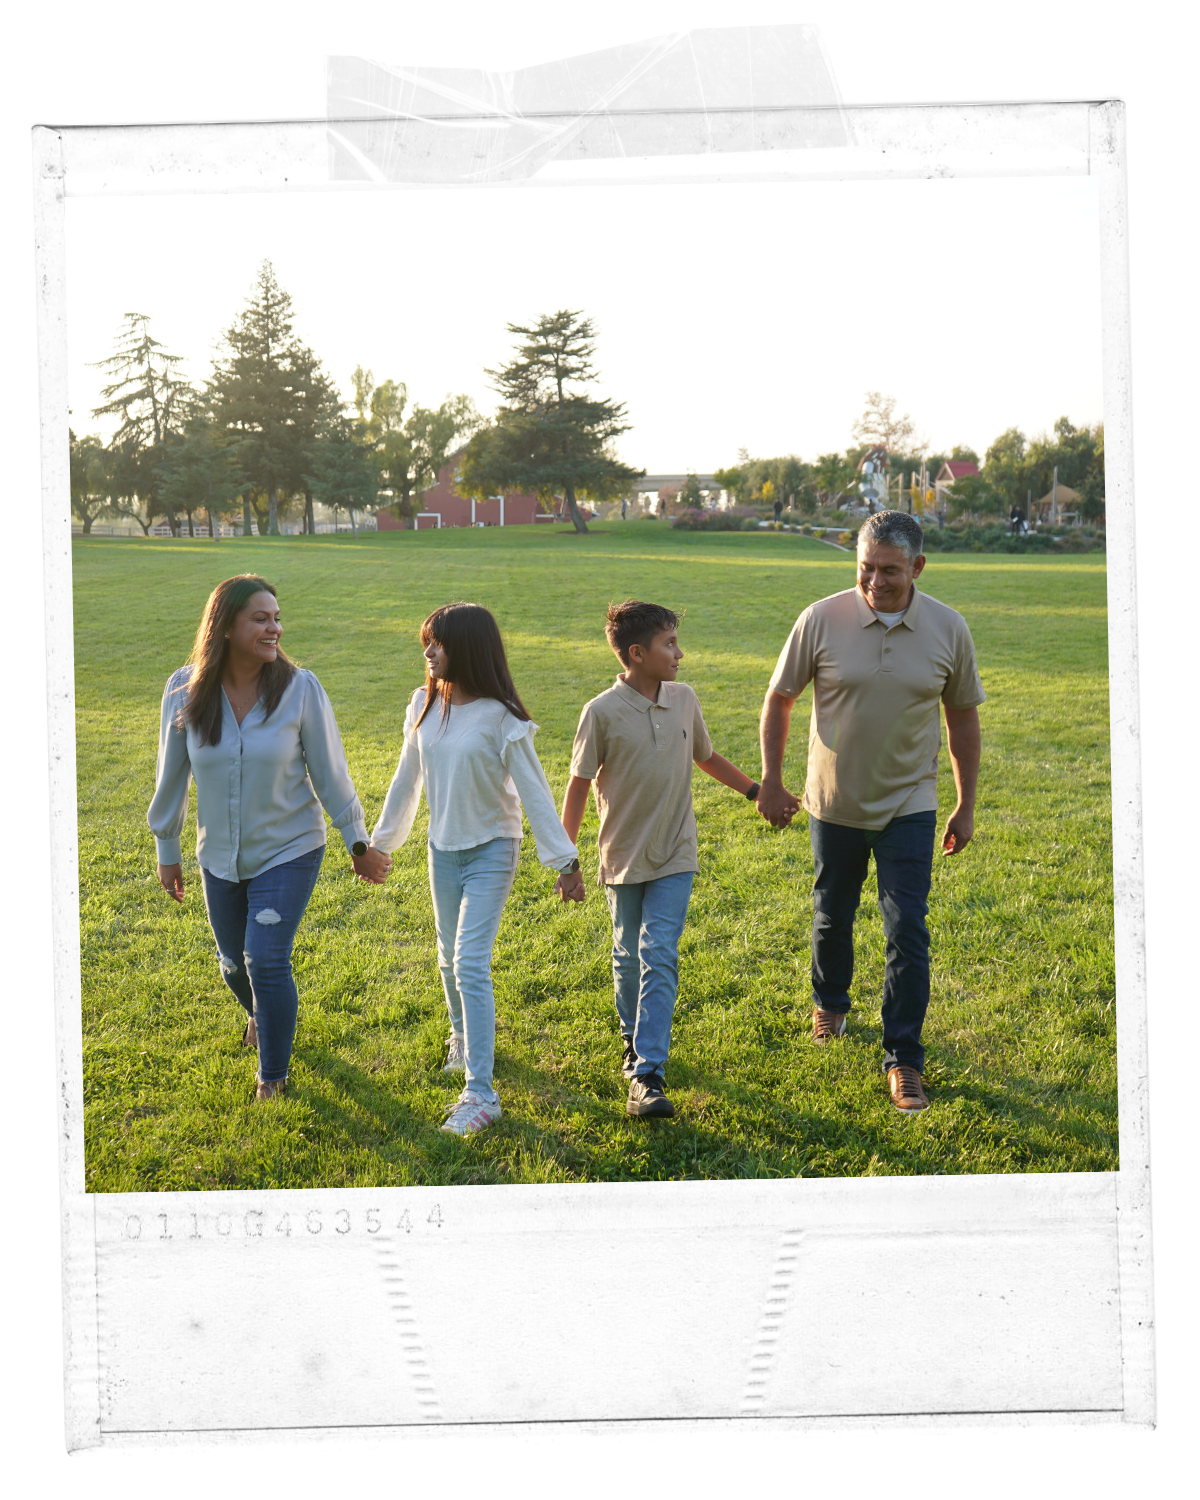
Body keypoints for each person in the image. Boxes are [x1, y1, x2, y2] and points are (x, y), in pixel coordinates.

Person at [756, 512, 984, 1114]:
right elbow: (780, 699)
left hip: (911, 801)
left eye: (888, 570)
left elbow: (962, 716)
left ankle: (903, 1060)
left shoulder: (948, 628)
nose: (875, 581)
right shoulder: (821, 619)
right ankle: (830, 1003)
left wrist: (965, 803)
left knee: (907, 927)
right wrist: (773, 782)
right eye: (865, 568)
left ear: (917, 567)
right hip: (833, 800)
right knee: (833, 912)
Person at [147, 574, 389, 1102]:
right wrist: (168, 850)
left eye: (277, 618)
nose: (274, 628)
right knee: (232, 964)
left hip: (290, 846)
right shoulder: (184, 693)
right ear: (225, 626)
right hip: (219, 855)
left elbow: (330, 773)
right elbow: (171, 779)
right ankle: (261, 1014)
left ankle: (271, 1076)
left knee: (265, 959)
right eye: (261, 618)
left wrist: (358, 843)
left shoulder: (300, 689)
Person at [370, 602, 584, 1136]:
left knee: (468, 961)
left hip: (492, 846)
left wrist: (564, 861)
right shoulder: (423, 704)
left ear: (465, 648)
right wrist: (381, 844)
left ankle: (481, 1094)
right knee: (446, 959)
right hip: (442, 848)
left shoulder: (500, 718)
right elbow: (406, 780)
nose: (427, 652)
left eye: (436, 643)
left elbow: (535, 793)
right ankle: (462, 1039)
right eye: (426, 641)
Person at [560, 601, 760, 1119]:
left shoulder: (684, 699)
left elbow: (706, 757)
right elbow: (579, 785)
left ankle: (648, 1073)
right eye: (669, 644)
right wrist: (567, 858)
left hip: (676, 849)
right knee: (627, 955)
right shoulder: (600, 712)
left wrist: (755, 791)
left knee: (658, 953)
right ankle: (632, 1040)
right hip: (622, 853)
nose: (679, 652)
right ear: (636, 653)